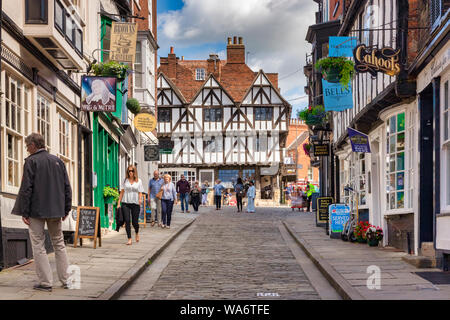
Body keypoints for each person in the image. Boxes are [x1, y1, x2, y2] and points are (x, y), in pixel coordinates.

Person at [11, 133, 72, 292]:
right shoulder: (58, 161)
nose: (26, 149)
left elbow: (27, 188)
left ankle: (46, 283)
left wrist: (24, 212)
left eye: (27, 146)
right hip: (56, 210)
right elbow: (67, 187)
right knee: (59, 244)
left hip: (36, 210)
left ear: (33, 145)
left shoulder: (31, 161)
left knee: (38, 245)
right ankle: (66, 280)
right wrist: (66, 208)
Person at [117, 165, 144, 245]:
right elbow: (122, 192)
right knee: (127, 221)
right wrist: (119, 203)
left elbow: (140, 192)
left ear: (134, 172)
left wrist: (140, 199)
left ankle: (136, 232)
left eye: (132, 171)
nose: (130, 172)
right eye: (129, 171)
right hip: (125, 203)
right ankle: (129, 239)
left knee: (135, 222)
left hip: (135, 203)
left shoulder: (139, 181)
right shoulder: (125, 180)